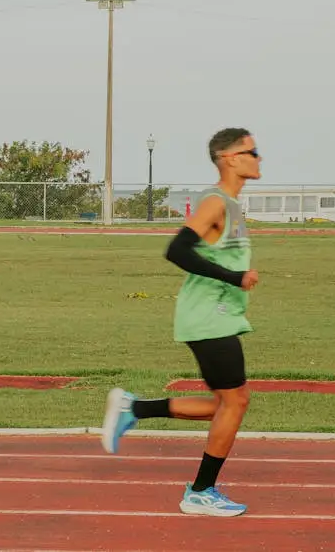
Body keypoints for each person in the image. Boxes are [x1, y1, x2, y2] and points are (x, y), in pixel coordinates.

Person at [100, 127, 261, 517]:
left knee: (223, 405)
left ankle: (132, 409)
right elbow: (176, 249)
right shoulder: (216, 202)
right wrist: (234, 278)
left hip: (218, 316)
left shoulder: (232, 206)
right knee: (235, 402)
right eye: (252, 152)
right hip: (209, 317)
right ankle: (201, 492)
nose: (258, 158)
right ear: (229, 158)